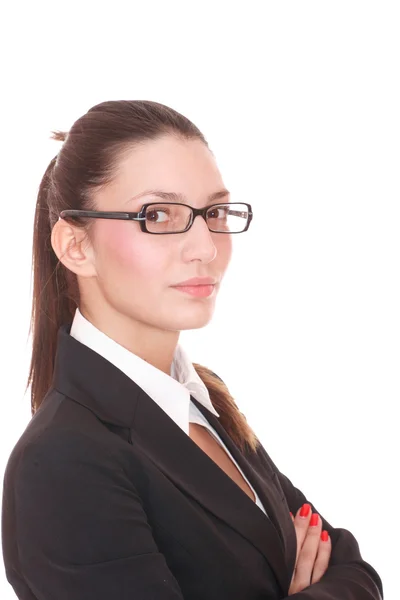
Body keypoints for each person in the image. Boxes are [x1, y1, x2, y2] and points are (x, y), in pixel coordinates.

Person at [1, 99, 383, 600]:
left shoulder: (199, 400)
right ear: (77, 246)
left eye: (216, 212)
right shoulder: (62, 463)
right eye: (158, 214)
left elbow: (354, 567)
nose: (206, 246)